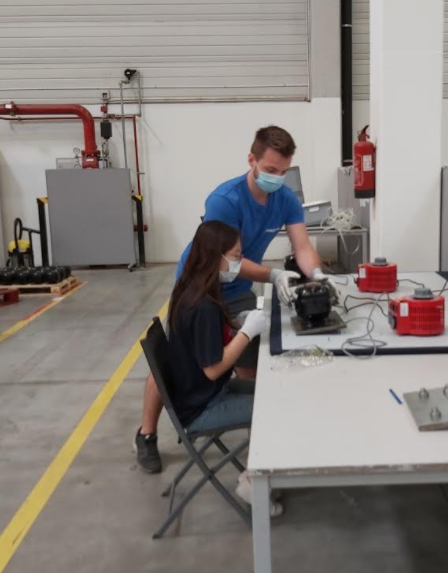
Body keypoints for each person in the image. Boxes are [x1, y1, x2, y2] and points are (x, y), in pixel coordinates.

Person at [135, 125, 337, 473]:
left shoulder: (285, 199)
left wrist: (316, 274)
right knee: (174, 361)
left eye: (283, 171)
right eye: (270, 170)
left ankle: (254, 439)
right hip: (200, 285)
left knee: (247, 359)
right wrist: (273, 274)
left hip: (236, 288)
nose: (277, 177)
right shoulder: (225, 200)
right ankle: (147, 434)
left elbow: (302, 247)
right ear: (252, 160)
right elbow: (224, 258)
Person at [146, 220, 281, 514]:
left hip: (197, 392)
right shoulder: (203, 305)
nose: (238, 263)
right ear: (214, 256)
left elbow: (205, 343)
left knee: (274, 391)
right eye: (234, 256)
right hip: (201, 405)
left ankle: (262, 471)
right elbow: (213, 369)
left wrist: (236, 324)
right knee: (274, 410)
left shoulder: (193, 287)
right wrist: (247, 333)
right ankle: (253, 483)